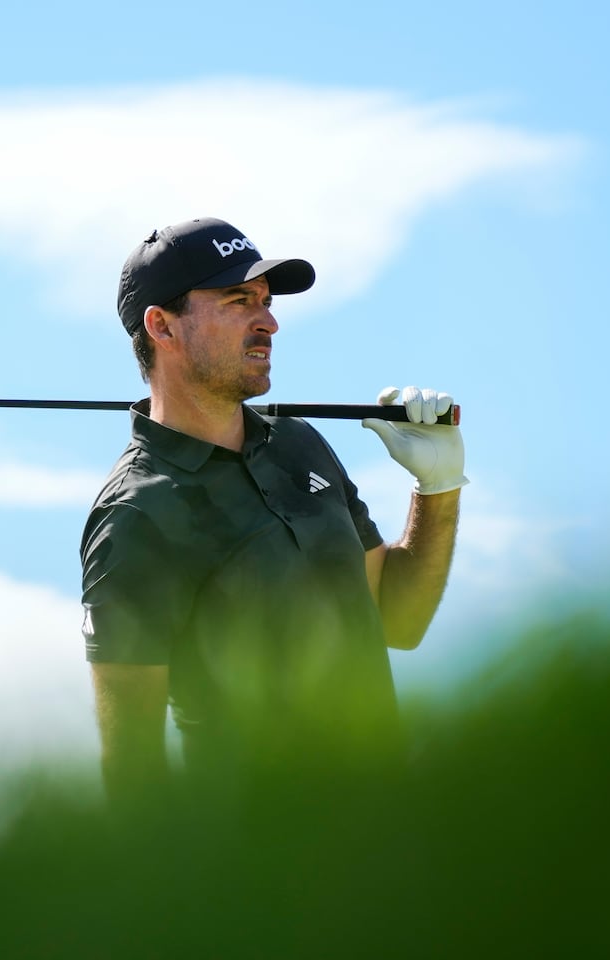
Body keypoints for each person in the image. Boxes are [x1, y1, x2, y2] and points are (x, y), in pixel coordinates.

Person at [80, 217, 465, 806]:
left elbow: (398, 620)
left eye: (265, 301)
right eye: (238, 301)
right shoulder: (135, 515)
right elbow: (132, 772)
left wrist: (437, 489)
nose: (269, 322)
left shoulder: (298, 444)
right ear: (161, 326)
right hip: (253, 868)